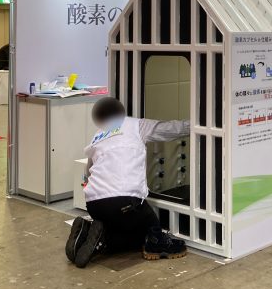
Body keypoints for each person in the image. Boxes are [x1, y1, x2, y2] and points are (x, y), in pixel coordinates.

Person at [66, 97, 190, 268]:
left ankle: (90, 235)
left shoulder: (99, 134)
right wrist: (200, 124)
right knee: (149, 234)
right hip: (125, 200)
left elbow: (88, 172)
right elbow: (171, 129)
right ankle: (111, 240)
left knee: (124, 229)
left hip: (94, 204)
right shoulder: (137, 125)